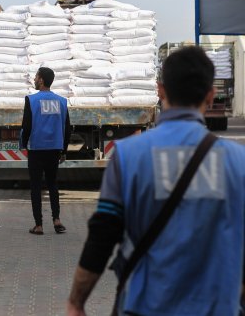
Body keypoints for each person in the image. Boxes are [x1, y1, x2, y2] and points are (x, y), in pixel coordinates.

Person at [67, 46, 245, 316]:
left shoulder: (128, 155)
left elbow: (102, 236)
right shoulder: (238, 162)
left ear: (160, 90)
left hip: (144, 306)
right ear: (210, 96)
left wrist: (76, 302)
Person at [20, 67, 71, 235]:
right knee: (52, 184)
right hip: (54, 149)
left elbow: (26, 125)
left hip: (36, 149)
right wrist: (64, 150)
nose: (34, 79)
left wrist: (22, 144)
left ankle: (39, 225)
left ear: (41, 80)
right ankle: (56, 220)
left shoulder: (31, 100)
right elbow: (67, 128)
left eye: (36, 77)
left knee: (36, 187)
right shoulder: (62, 101)